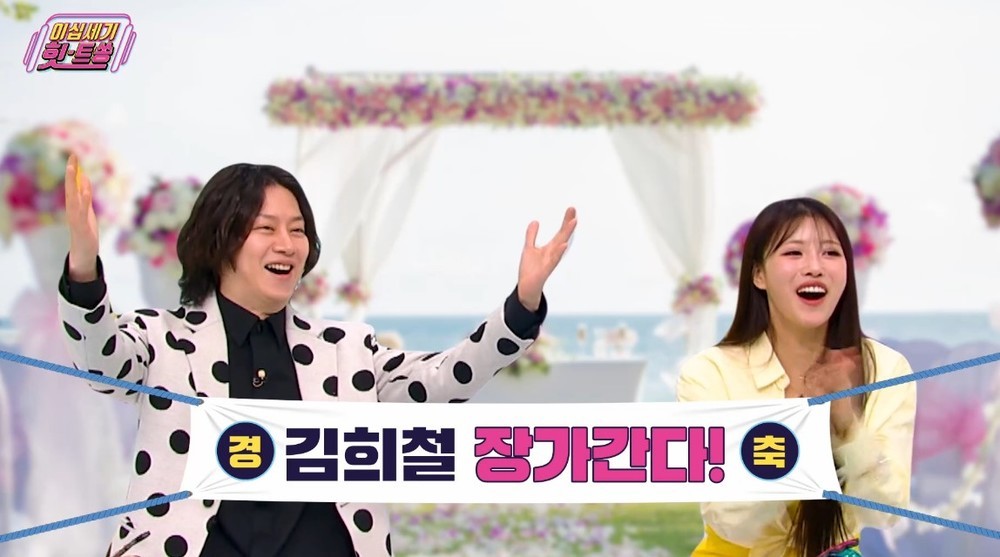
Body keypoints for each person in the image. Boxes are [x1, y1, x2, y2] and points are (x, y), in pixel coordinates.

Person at [56, 155, 577, 557]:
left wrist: (522, 304)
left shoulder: (346, 351)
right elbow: (100, 360)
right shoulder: (163, 339)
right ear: (220, 241)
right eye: (266, 229)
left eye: (298, 229)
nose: (287, 244)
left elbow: (443, 379)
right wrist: (83, 267)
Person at [676, 198, 916, 557]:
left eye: (830, 253)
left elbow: (885, 511)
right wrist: (797, 433)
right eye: (793, 253)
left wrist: (847, 428)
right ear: (758, 274)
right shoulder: (709, 373)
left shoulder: (886, 368)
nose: (814, 267)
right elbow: (730, 520)